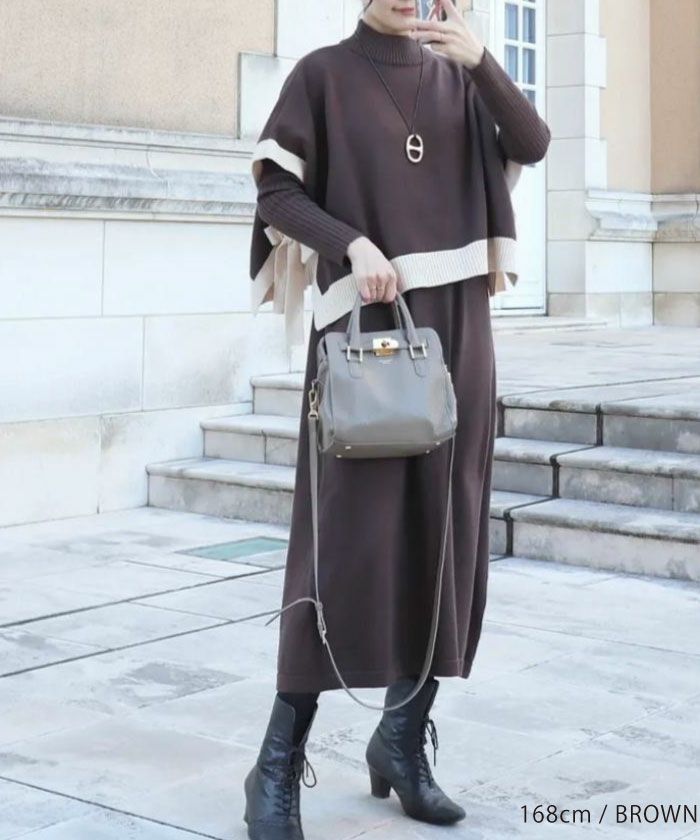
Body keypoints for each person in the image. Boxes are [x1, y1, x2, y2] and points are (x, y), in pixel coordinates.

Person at [243, 1, 551, 836]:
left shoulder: (462, 79)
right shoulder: (322, 76)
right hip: (363, 338)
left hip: (460, 338)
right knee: (341, 548)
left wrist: (481, 60)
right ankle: (276, 762)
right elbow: (276, 191)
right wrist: (350, 242)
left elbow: (531, 142)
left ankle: (402, 740)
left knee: (445, 539)